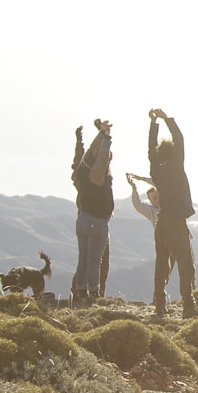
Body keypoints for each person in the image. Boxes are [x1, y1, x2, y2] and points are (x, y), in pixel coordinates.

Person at [148, 109, 198, 319]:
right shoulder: (176, 167)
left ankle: (159, 304)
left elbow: (151, 151)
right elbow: (179, 138)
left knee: (161, 264)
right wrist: (166, 118)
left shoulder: (156, 172)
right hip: (177, 223)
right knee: (185, 266)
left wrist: (153, 125)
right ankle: (188, 306)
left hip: (161, 224)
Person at [71, 120, 114, 307]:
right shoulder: (96, 176)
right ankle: (94, 295)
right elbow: (102, 157)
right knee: (95, 261)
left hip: (82, 219)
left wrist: (102, 133)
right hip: (97, 222)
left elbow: (91, 151)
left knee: (83, 259)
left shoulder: (82, 168)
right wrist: (107, 140)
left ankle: (81, 293)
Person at [127, 172, 175, 277]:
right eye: (154, 198)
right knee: (164, 269)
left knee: (187, 266)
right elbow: (138, 205)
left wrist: (143, 179)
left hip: (179, 238)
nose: (158, 200)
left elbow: (162, 184)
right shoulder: (151, 211)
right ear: (150, 201)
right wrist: (134, 188)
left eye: (158, 196)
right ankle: (161, 286)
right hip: (164, 242)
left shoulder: (170, 203)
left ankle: (190, 286)